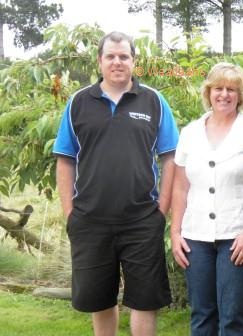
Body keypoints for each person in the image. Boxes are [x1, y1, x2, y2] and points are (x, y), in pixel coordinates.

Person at [53, 31, 179, 336]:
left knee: (145, 301)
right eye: (110, 56)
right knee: (100, 300)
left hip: (142, 221)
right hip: (91, 220)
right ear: (100, 61)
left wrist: (161, 210)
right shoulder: (78, 103)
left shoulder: (154, 101)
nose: (117, 61)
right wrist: (71, 213)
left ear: (134, 61)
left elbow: (171, 157)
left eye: (124, 56)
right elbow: (65, 160)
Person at [170, 62, 243, 336]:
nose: (224, 95)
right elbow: (180, 187)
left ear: (240, 95)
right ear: (208, 92)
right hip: (195, 237)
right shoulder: (189, 132)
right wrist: (176, 233)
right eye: (218, 88)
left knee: (233, 319)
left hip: (238, 237)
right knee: (202, 316)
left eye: (232, 90)